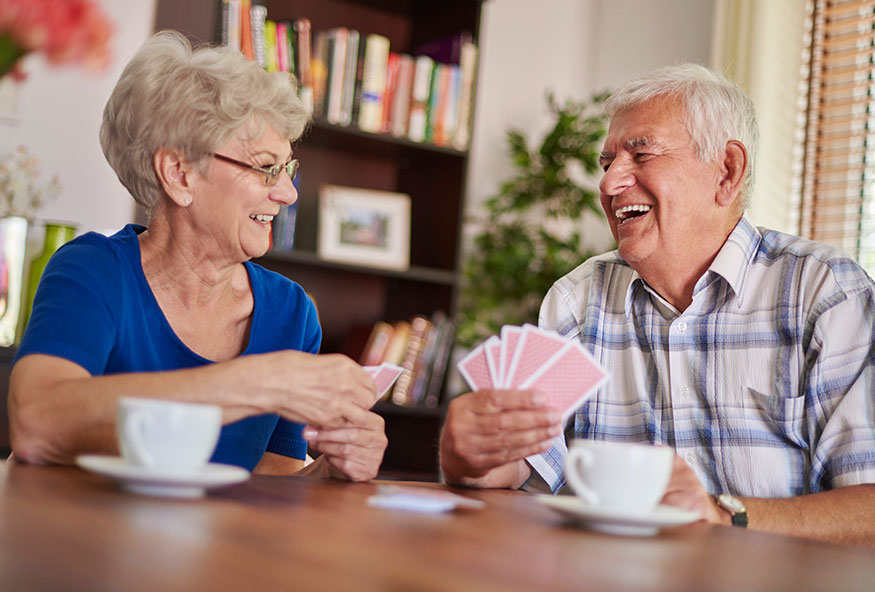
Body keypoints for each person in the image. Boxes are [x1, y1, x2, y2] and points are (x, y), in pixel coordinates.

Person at [439, 63, 875, 546]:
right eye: (607, 164)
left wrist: (723, 515)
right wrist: (472, 455)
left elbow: (869, 511)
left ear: (727, 170)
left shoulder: (824, 294)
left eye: (641, 154)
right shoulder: (577, 301)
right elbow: (521, 465)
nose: (607, 185)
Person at [8, 31, 387, 481]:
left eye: (287, 169)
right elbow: (36, 423)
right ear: (179, 174)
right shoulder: (92, 273)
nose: (286, 193)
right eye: (266, 168)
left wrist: (330, 470)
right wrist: (258, 383)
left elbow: (273, 482)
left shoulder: (291, 312)